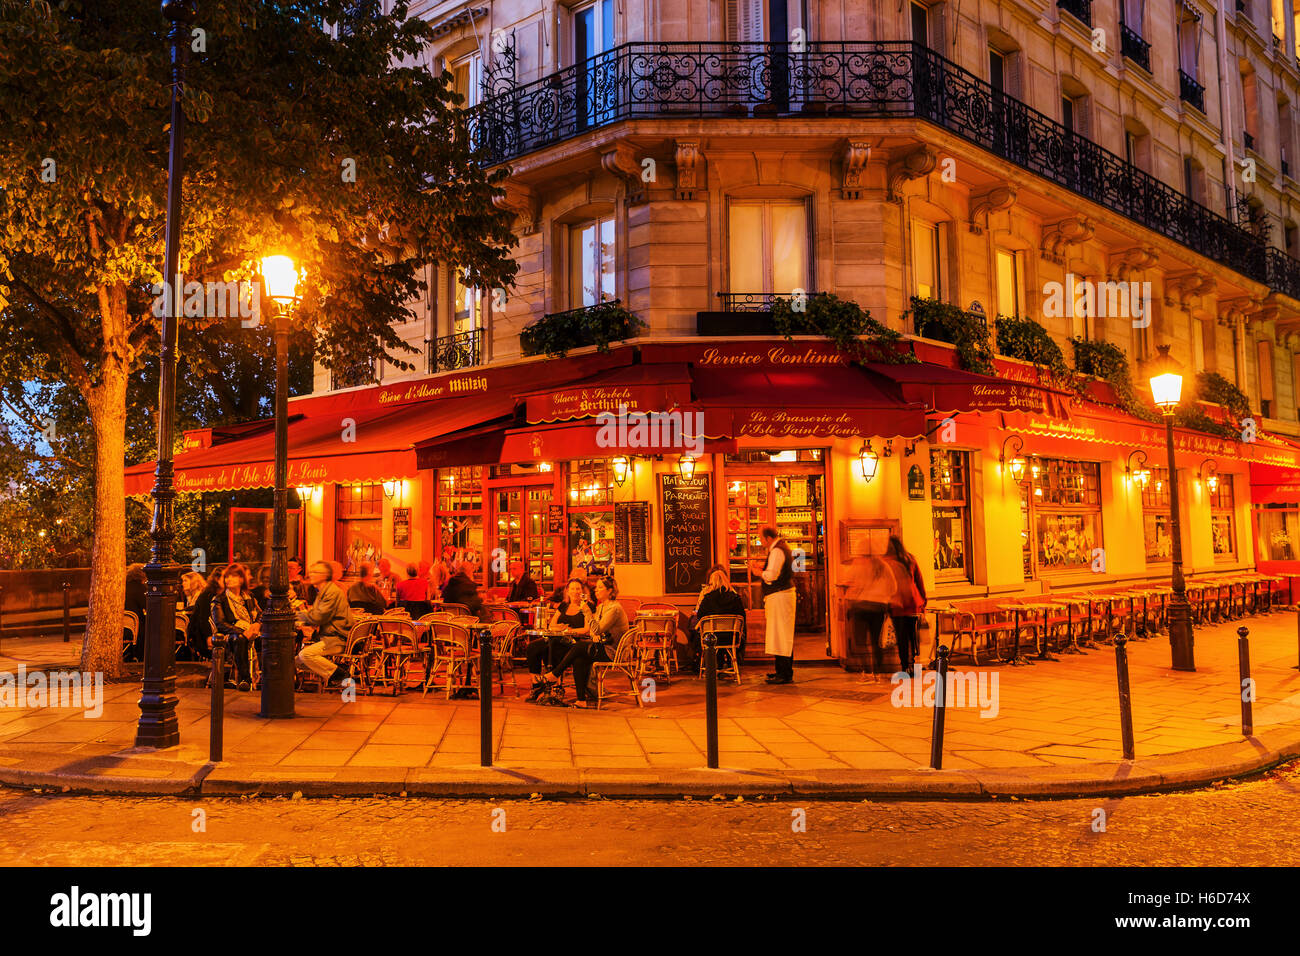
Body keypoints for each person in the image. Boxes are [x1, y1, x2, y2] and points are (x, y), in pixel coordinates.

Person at [540, 576, 628, 708]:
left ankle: (555, 673)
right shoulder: (602, 607)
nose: (596, 590)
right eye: (596, 587)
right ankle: (581, 700)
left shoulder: (614, 608)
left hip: (613, 651)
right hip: (602, 646)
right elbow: (594, 632)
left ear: (610, 591)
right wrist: (595, 632)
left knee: (580, 646)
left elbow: (596, 629)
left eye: (600, 587)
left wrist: (587, 612)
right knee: (579, 658)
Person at [524, 579, 593, 701]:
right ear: (567, 591)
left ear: (583, 591)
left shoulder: (587, 606)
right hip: (558, 638)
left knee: (553, 648)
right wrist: (562, 629)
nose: (575, 591)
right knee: (533, 647)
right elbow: (552, 625)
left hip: (575, 643)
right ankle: (536, 685)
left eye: (578, 588)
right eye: (572, 588)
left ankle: (556, 686)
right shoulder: (563, 605)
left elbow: (587, 629)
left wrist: (569, 631)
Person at [295, 561, 354, 687]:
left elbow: (318, 617)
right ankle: (338, 668)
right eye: (311, 571)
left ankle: (340, 675)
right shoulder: (323, 591)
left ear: (325, 575)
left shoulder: (331, 592)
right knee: (297, 662)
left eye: (315, 572)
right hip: (330, 637)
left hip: (337, 638)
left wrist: (294, 616)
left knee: (305, 654)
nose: (311, 574)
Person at [752, 526, 796, 685]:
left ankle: (784, 673)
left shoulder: (777, 551)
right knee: (780, 634)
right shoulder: (780, 548)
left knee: (781, 634)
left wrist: (759, 573)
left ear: (768, 538)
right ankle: (781, 670)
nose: (760, 540)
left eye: (761, 538)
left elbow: (772, 575)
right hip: (780, 596)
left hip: (780, 596)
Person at [209, 563, 262, 691]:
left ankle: (273, 680)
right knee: (239, 638)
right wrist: (243, 632)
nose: (229, 579)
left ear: (241, 579)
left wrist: (256, 625)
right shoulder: (219, 599)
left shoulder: (248, 597)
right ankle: (244, 678)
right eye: (227, 577)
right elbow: (220, 624)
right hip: (227, 636)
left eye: (233, 576)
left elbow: (260, 614)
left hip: (250, 633)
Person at [689, 565, 747, 670]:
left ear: (711, 581)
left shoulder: (707, 598)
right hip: (731, 638)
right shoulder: (735, 597)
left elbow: (700, 615)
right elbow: (742, 617)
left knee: (696, 632)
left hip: (711, 638)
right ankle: (732, 661)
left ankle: (706, 664)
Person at [883, 535, 927, 673]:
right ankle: (913, 664)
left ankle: (905, 667)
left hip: (897, 605)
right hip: (913, 603)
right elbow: (919, 581)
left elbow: (885, 585)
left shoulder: (887, 562)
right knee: (912, 637)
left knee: (902, 638)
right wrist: (923, 600)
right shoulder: (910, 559)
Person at [186, 565, 224, 662]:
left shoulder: (224, 595)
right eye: (225, 577)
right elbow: (203, 619)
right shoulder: (208, 595)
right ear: (216, 579)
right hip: (202, 635)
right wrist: (208, 636)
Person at [123, 563, 148, 662]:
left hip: (123, 623)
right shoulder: (139, 588)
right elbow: (146, 604)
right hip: (135, 623)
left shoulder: (123, 586)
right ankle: (141, 655)